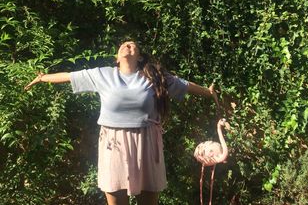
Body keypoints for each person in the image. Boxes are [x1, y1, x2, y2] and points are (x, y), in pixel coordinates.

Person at [25, 41, 218, 205]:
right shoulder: (102, 74)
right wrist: (43, 78)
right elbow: (69, 76)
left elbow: (185, 85)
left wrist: (208, 92)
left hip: (146, 141)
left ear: (140, 57)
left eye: (133, 45)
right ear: (117, 57)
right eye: (124, 45)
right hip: (113, 142)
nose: (128, 45)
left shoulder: (154, 77)